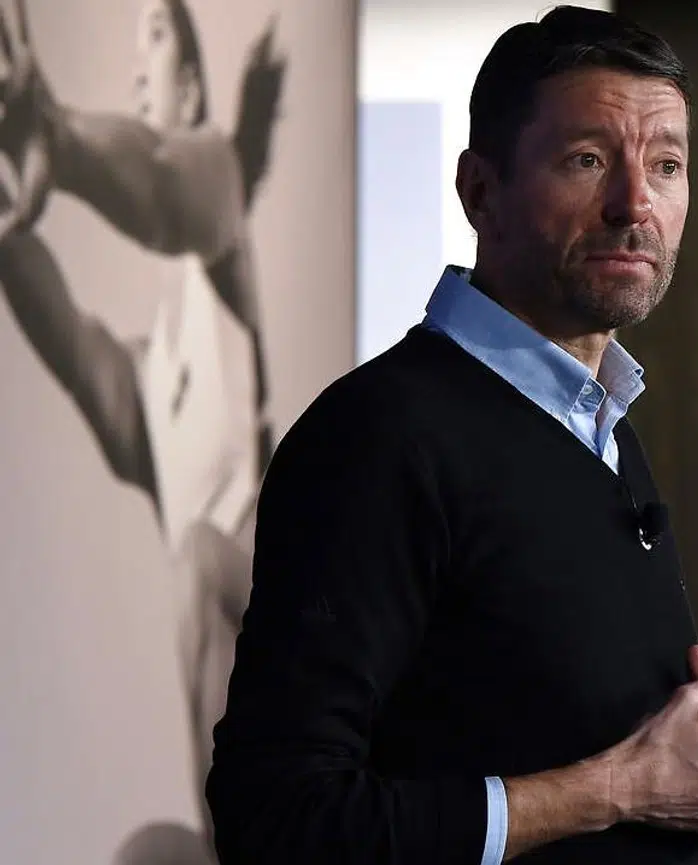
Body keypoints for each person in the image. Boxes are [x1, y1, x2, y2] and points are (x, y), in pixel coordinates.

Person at [206, 8, 698, 865]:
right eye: (587, 160)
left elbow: (557, 739)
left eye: (666, 165)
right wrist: (624, 788)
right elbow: (278, 818)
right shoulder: (378, 437)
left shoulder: (602, 428)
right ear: (479, 191)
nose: (635, 203)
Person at [0, 1, 284, 861]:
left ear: (192, 87)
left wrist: (56, 133)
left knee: (197, 556)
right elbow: (77, 350)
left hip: (307, 630)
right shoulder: (155, 375)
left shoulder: (218, 201)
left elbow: (168, 186)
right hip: (247, 764)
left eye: (154, 37)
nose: (135, 67)